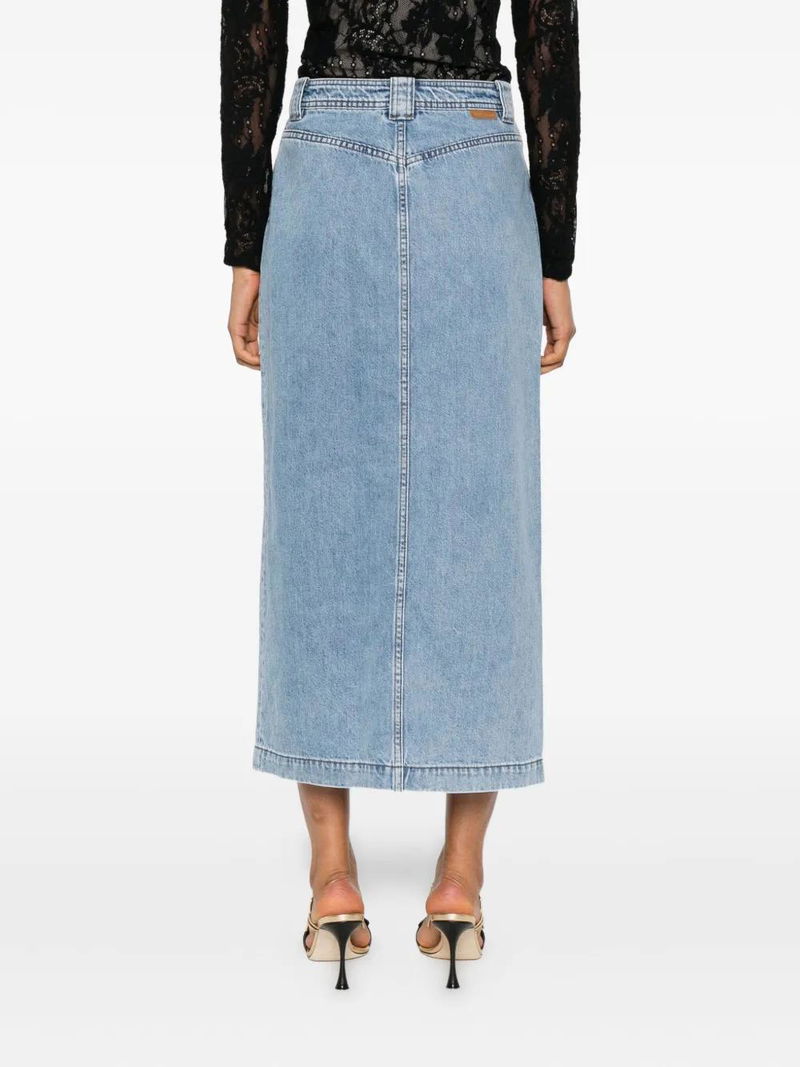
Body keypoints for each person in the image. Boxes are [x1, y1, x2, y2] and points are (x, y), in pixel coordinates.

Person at [221, 0, 579, 989]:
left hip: (326, 151)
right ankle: (459, 875)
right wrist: (554, 252)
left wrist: (246, 242)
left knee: (315, 514)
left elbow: (253, 28)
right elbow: (547, 32)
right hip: (475, 155)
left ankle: (332, 873)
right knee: (484, 516)